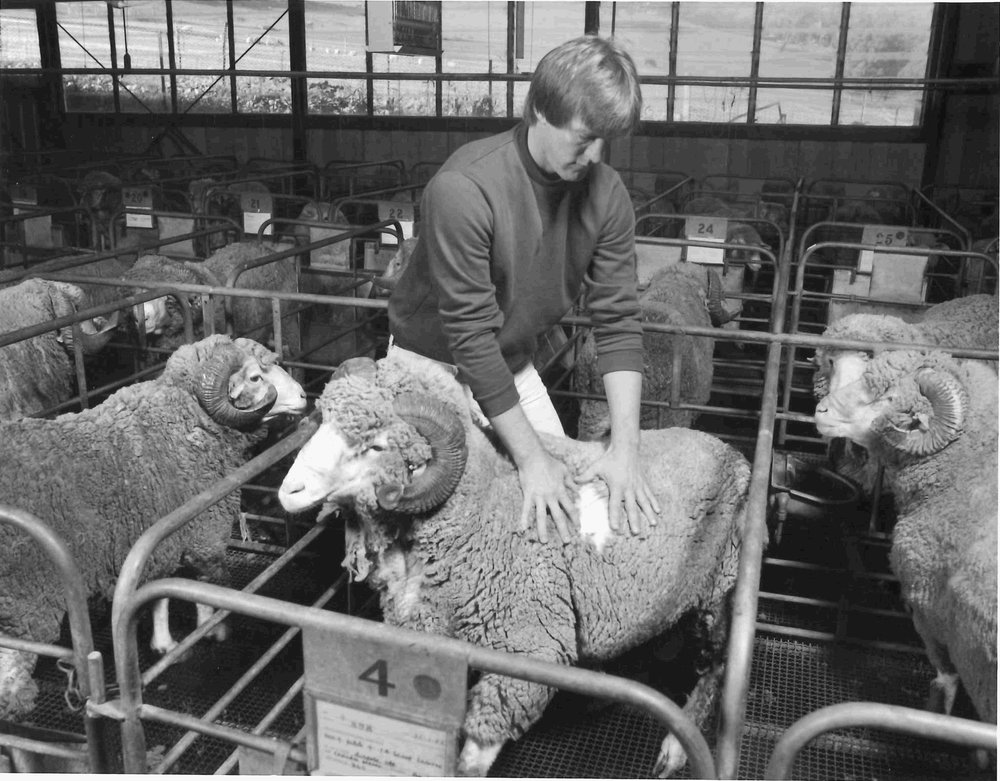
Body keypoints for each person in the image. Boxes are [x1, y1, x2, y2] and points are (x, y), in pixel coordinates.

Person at [387, 34, 661, 543]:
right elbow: (470, 337)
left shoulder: (607, 194)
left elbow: (618, 320)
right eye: (584, 136)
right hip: (427, 366)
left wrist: (626, 447)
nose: (596, 155)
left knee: (559, 509)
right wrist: (531, 458)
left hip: (510, 364)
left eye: (608, 139)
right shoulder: (464, 188)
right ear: (538, 109)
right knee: (421, 526)